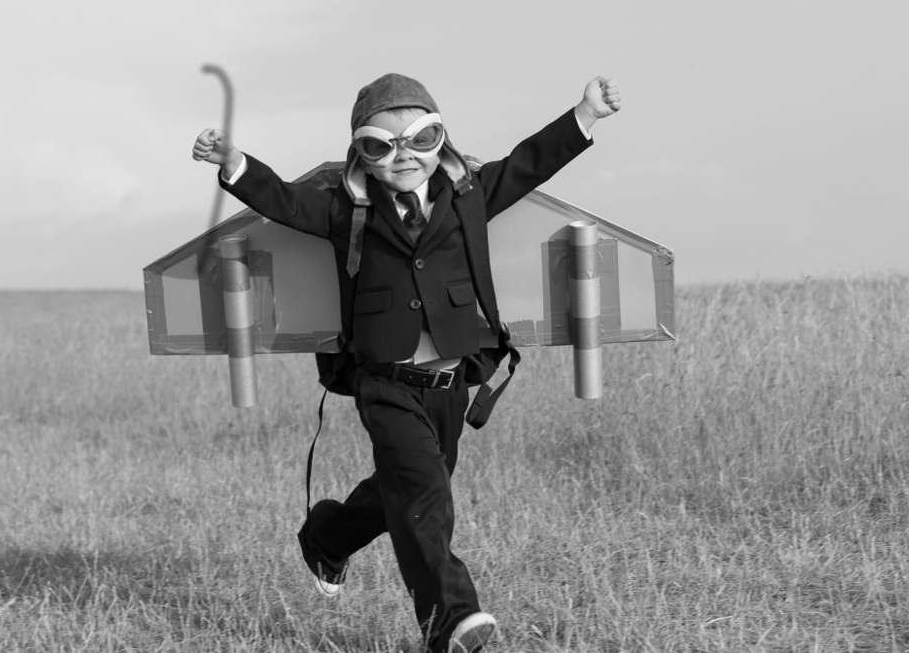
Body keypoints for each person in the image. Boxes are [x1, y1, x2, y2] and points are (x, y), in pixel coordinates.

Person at [191, 72, 620, 653]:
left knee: (410, 485)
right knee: (423, 491)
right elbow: (286, 204)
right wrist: (236, 161)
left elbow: (528, 163)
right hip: (383, 377)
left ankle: (328, 537)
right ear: (361, 155)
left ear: (440, 139)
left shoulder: (467, 195)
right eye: (381, 146)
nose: (403, 158)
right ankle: (448, 618)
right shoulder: (346, 208)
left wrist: (585, 115)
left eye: (420, 139)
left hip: (449, 377)